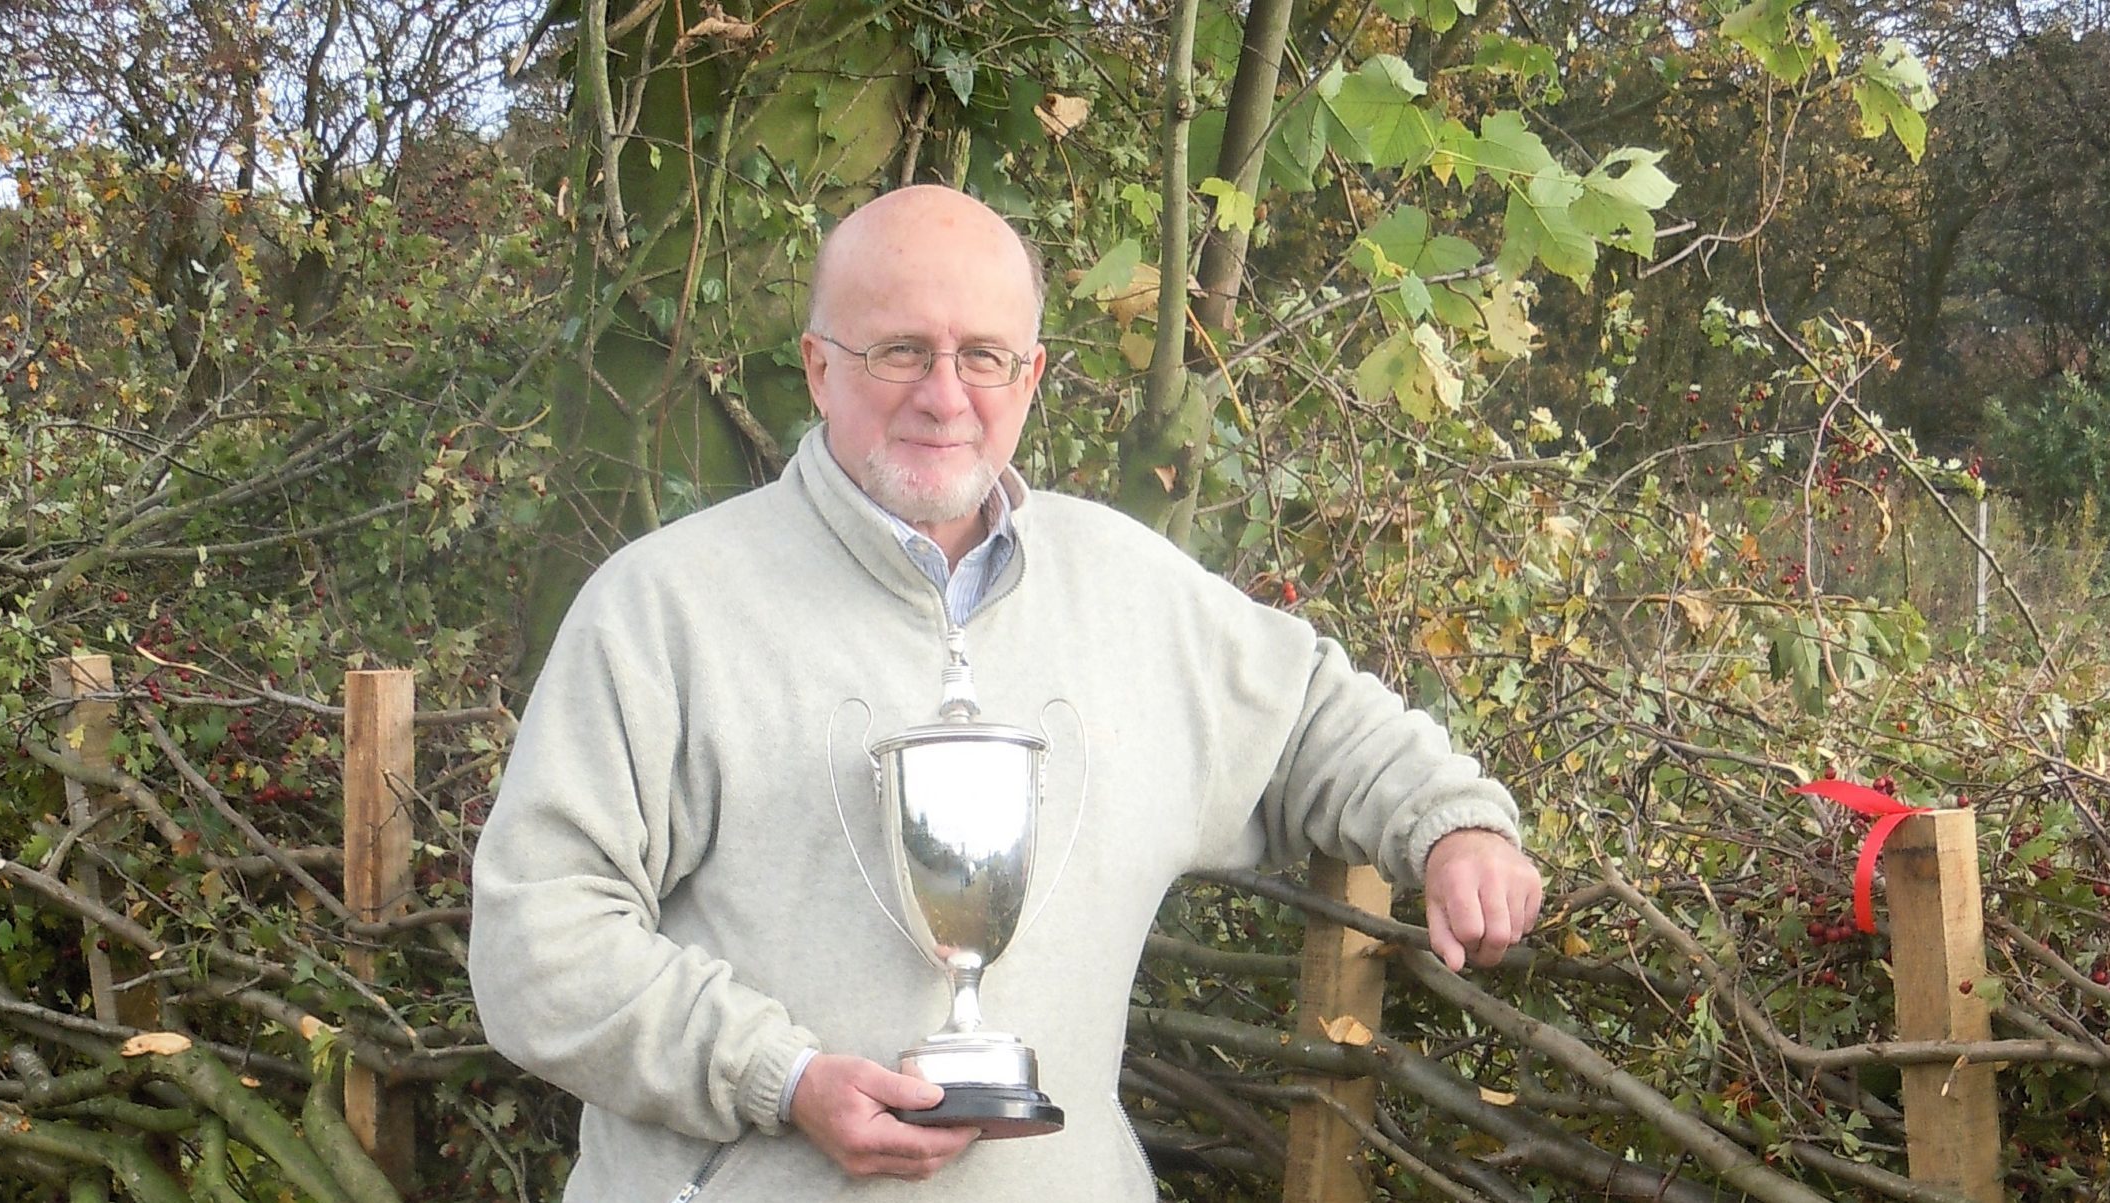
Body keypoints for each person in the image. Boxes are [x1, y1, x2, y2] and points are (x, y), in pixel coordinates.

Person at [469, 184, 1544, 1201]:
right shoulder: (665, 609)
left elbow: (1311, 715)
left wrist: (1453, 830)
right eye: (900, 351)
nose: (944, 396)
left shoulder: (1130, 591)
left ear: (1030, 377)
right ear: (816, 368)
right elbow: (539, 943)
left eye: (982, 356)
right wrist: (779, 1078)